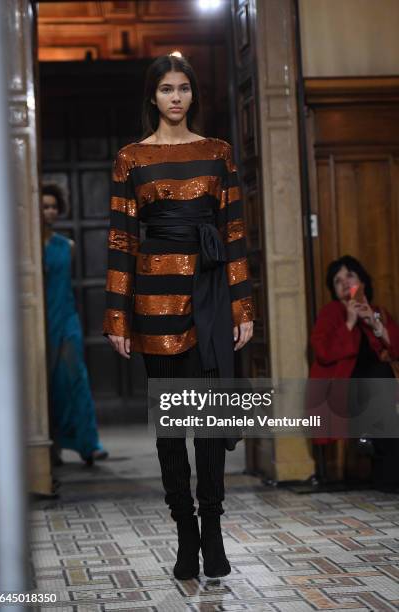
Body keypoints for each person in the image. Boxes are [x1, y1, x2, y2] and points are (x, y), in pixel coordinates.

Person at [102, 54, 254, 580]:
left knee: (209, 427)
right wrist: (117, 317)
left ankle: (212, 531)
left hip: (211, 295)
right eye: (166, 88)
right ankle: (185, 535)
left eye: (183, 88)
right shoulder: (131, 159)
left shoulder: (218, 154)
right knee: (172, 430)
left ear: (192, 95)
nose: (175, 97)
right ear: (153, 97)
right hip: (154, 304)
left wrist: (243, 306)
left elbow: (233, 232)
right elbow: (121, 240)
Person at [309, 255, 399, 485]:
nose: (345, 282)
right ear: (334, 289)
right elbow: (324, 353)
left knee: (382, 390)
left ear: (363, 282)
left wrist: (374, 323)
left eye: (350, 275)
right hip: (344, 388)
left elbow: (396, 349)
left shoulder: (377, 312)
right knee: (381, 382)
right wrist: (349, 321)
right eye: (338, 280)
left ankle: (385, 475)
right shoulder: (331, 312)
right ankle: (387, 475)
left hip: (380, 390)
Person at [42, 183, 109, 466]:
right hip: (39, 321)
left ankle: (89, 444)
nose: (50, 211)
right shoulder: (25, 248)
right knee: (48, 384)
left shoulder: (67, 246)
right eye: (45, 206)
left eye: (54, 206)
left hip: (67, 317)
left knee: (76, 378)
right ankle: (51, 444)